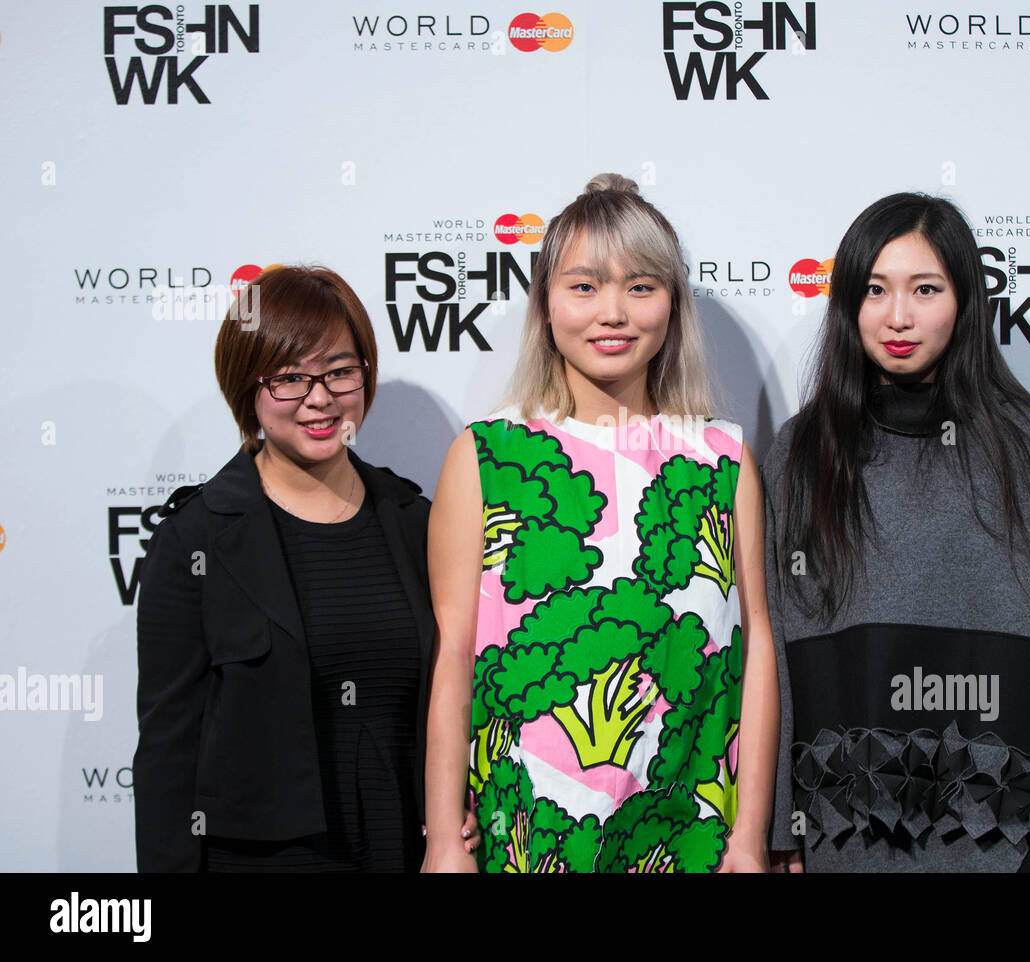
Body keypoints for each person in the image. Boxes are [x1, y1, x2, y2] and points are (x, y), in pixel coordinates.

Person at [764, 193, 1030, 873]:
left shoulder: (1028, 449)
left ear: (966, 301)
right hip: (845, 836)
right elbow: (776, 651)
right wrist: (778, 827)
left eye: (925, 289)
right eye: (875, 290)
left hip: (1001, 837)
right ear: (848, 301)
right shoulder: (802, 453)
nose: (899, 316)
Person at [421, 174, 779, 873]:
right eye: (584, 286)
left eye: (641, 286)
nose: (612, 312)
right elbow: (454, 655)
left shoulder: (724, 460)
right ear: (546, 307)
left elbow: (756, 648)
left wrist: (748, 837)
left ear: (673, 307)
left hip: (688, 834)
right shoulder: (487, 455)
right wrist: (441, 837)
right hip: (523, 836)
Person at [133, 265, 478, 871]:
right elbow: (168, 752)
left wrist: (455, 814)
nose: (320, 399)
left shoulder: (415, 520)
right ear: (248, 386)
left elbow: (455, 693)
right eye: (289, 378)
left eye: (340, 372)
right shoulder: (197, 538)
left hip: (405, 853)